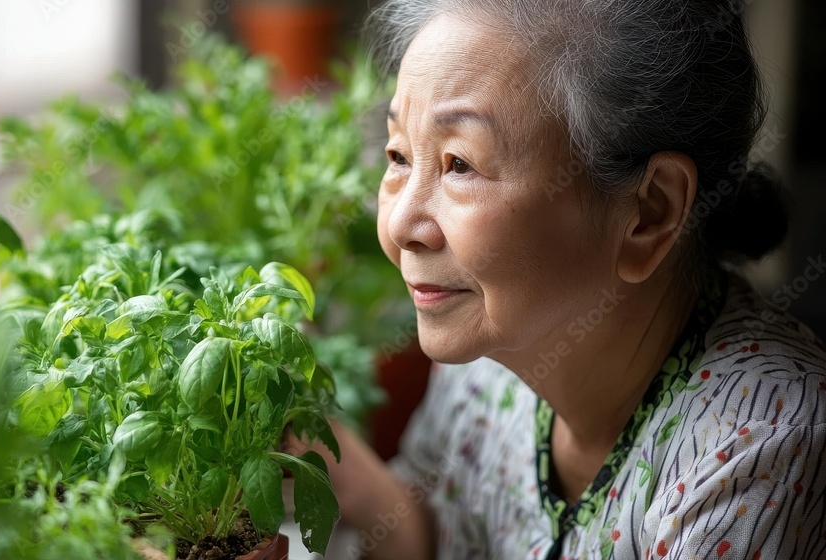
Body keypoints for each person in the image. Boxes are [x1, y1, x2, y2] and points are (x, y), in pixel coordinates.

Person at [286, 1, 826, 558]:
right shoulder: (490, 356)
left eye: (460, 165)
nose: (401, 226)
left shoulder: (756, 449)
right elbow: (434, 537)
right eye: (398, 155)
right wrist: (314, 449)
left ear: (649, 213)